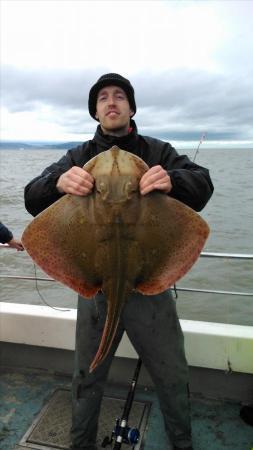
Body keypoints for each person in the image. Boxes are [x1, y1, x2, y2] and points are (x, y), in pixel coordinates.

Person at [24, 73, 214, 450]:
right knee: (87, 375)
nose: (112, 102)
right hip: (96, 291)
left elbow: (202, 184)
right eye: (103, 98)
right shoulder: (77, 158)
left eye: (120, 96)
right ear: (95, 112)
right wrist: (58, 182)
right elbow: (32, 198)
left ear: (131, 107)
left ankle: (182, 443)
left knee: (171, 375)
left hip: (150, 288)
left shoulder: (157, 151)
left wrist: (172, 180)